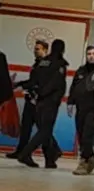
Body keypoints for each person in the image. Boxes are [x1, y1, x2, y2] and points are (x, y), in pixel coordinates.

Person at [15, 39, 68, 168]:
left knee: (45, 131)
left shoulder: (42, 63)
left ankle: (50, 159)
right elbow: (57, 83)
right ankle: (25, 153)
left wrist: (36, 92)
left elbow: (34, 81)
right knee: (45, 130)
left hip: (39, 100)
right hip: (50, 101)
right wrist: (53, 96)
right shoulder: (59, 63)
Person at [68, 46, 94, 176]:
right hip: (81, 107)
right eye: (89, 54)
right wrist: (70, 102)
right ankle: (91, 159)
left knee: (87, 135)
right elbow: (74, 87)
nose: (91, 56)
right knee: (81, 135)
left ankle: (84, 162)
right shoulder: (81, 70)